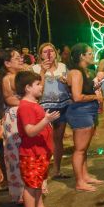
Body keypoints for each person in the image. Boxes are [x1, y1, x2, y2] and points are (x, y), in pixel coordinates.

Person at [16, 70, 60, 207]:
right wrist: (46, 120)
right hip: (31, 153)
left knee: (38, 182)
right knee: (31, 185)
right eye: (37, 84)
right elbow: (30, 131)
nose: (41, 86)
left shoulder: (33, 103)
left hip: (41, 151)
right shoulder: (25, 106)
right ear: (28, 87)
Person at [67, 43, 104, 192]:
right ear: (81, 55)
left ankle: (85, 176)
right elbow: (77, 96)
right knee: (79, 149)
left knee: (84, 148)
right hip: (80, 111)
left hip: (88, 110)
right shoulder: (76, 73)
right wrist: (95, 97)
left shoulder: (86, 71)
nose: (92, 55)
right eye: (89, 53)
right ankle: (79, 181)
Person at [32, 43, 71, 179]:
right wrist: (42, 72)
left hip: (63, 105)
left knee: (58, 139)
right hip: (44, 107)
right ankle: (43, 170)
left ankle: (57, 170)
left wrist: (66, 81)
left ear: (55, 52)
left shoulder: (62, 67)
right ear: (40, 55)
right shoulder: (36, 68)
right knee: (44, 139)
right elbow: (36, 90)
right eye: (45, 52)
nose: (49, 54)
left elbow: (69, 86)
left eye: (51, 51)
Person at [0, 48, 26, 203]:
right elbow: (9, 99)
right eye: (16, 57)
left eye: (20, 56)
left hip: (20, 114)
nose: (20, 59)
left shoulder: (16, 75)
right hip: (15, 117)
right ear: (7, 63)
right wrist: (29, 103)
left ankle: (26, 191)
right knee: (17, 155)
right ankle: (22, 193)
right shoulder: (8, 78)